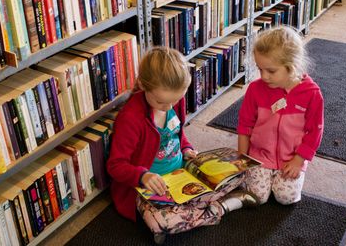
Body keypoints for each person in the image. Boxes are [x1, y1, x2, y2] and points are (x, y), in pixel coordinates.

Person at [107, 47, 258, 243]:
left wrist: (186, 148)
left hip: (183, 173)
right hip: (149, 188)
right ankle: (224, 206)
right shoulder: (131, 118)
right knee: (161, 222)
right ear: (144, 86)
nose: (170, 107)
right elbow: (115, 165)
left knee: (239, 172)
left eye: (176, 99)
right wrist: (143, 175)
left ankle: (190, 211)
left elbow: (177, 133)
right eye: (162, 102)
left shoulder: (173, 100)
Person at [237, 26, 324, 205]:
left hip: (291, 157)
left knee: (285, 197)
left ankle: (293, 172)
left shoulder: (311, 94)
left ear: (291, 67)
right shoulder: (255, 89)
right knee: (256, 197)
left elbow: (315, 132)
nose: (264, 76)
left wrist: (299, 160)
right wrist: (242, 157)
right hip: (259, 155)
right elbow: (245, 125)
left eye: (271, 71)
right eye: (260, 69)